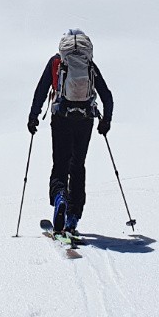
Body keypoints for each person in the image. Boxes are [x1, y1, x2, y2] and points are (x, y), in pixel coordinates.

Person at [27, 28, 114, 235]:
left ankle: (60, 198)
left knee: (60, 163)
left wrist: (33, 117)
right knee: (78, 166)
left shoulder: (57, 62)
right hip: (85, 120)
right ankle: (73, 215)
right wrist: (106, 122)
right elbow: (107, 96)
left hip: (61, 118)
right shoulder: (89, 64)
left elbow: (41, 90)